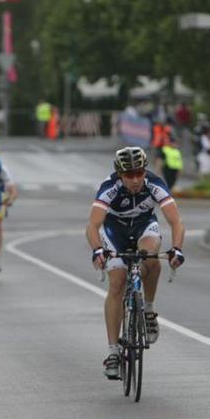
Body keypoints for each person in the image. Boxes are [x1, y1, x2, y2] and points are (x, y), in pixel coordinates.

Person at [87, 146, 185, 380]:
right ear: (120, 174)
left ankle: (148, 310)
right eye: (129, 174)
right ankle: (113, 352)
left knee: (151, 258)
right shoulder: (109, 188)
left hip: (144, 227)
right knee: (117, 283)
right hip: (115, 232)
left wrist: (177, 249)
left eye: (139, 173)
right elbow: (93, 225)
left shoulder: (155, 184)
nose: (135, 179)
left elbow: (176, 222)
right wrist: (97, 250)